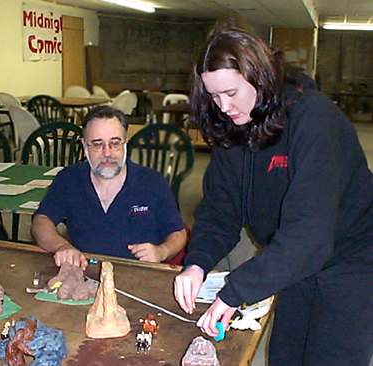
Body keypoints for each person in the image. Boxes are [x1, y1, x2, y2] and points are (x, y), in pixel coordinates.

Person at [173, 25, 373, 366]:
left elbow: (310, 233)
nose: (223, 107)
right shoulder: (233, 126)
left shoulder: (314, 120)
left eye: (231, 93)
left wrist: (236, 291)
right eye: (214, 96)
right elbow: (221, 209)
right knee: (285, 356)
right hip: (292, 258)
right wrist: (197, 263)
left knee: (333, 357)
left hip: (351, 259)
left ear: (258, 76)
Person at [31, 106, 187, 269]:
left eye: (115, 143)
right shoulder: (69, 179)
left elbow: (178, 233)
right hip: (84, 275)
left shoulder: (152, 182)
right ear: (84, 145)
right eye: (98, 144)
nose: (107, 153)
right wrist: (61, 247)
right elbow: (41, 221)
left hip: (140, 275)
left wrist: (162, 251)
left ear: (125, 143)